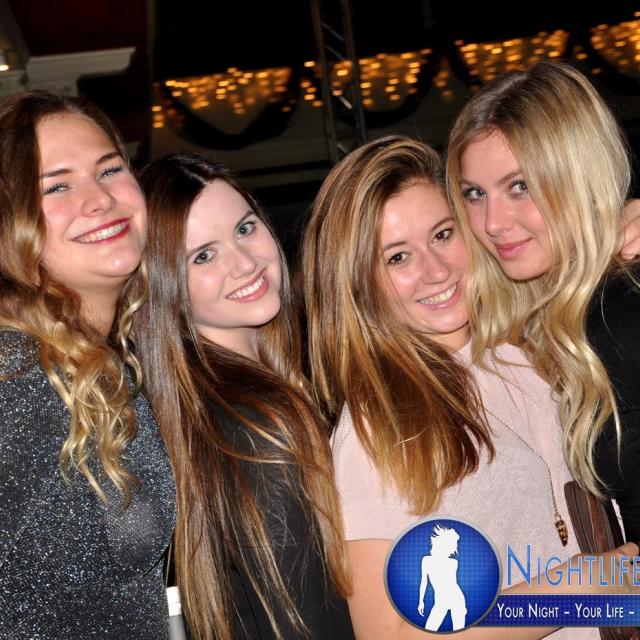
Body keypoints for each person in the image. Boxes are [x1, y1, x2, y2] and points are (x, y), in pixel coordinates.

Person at [302, 134, 635, 640]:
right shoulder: (377, 429)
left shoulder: (534, 349)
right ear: (357, 283)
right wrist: (574, 592)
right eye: (397, 258)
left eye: (442, 234)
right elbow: (390, 635)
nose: (435, 271)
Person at [133, 152, 353, 640]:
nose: (246, 263)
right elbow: (312, 620)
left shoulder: (205, 413)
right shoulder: (256, 422)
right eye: (203, 256)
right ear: (165, 286)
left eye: (245, 228)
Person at [0, 91, 175, 638]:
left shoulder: (107, 367)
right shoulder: (14, 378)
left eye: (110, 169)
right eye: (57, 186)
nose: (100, 198)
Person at [446, 60, 640, 539]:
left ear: (578, 176)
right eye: (474, 194)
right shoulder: (548, 318)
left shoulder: (620, 309)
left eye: (520, 187)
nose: (493, 223)